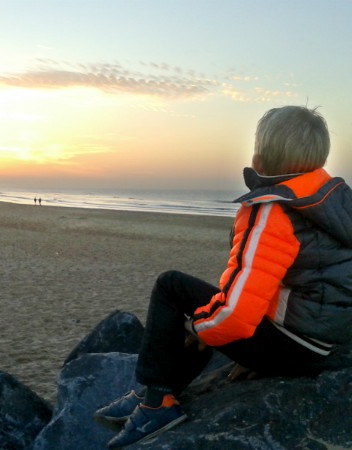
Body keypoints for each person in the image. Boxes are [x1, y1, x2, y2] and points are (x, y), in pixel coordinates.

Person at [94, 106, 352, 449]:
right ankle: (154, 389)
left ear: (259, 158)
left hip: (294, 346)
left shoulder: (272, 210)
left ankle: (156, 402)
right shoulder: (336, 200)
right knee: (216, 308)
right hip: (327, 344)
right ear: (318, 158)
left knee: (172, 287)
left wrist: (202, 328)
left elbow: (235, 318)